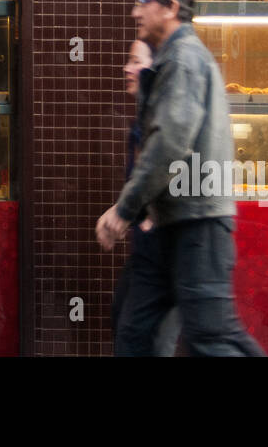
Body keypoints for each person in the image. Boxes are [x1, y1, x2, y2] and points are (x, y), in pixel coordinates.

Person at [95, 0, 266, 357]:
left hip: (199, 223)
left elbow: (169, 142)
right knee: (135, 331)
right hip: (176, 223)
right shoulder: (173, 58)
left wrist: (125, 209)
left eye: (143, 2)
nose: (135, 12)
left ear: (171, 7)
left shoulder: (185, 59)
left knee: (213, 337)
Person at [111, 38, 183, 356]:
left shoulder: (164, 119)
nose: (127, 68)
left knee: (152, 340)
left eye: (136, 62)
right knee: (126, 324)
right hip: (150, 254)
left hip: (171, 254)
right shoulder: (144, 119)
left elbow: (178, 166)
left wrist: (151, 213)